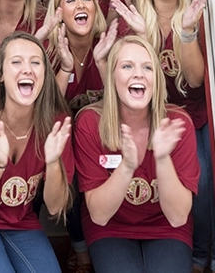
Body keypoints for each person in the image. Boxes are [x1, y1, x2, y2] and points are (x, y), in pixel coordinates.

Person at [114, 0, 215, 273]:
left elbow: (195, 79)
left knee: (205, 185)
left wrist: (186, 32)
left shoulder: (194, 16)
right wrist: (144, 38)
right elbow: (139, 83)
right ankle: (193, 254)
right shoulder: (136, 20)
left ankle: (210, 256)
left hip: (197, 117)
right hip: (160, 119)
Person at [74, 35, 199, 273]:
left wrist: (162, 159)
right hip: (111, 226)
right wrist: (127, 166)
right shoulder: (90, 122)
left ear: (156, 80)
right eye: (127, 66)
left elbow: (178, 217)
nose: (138, 74)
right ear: (112, 77)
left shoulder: (178, 123)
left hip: (165, 225)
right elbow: (99, 215)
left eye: (147, 67)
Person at [0, 32, 74, 273]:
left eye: (36, 62)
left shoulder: (56, 124)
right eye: (16, 61)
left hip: (21, 222)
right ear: (0, 75)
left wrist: (52, 162)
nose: (27, 69)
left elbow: (55, 206)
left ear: (45, 76)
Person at [45, 0, 118, 273]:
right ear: (59, 11)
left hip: (102, 137)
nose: (80, 5)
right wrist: (64, 68)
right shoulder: (49, 50)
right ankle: (80, 251)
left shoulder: (109, 44)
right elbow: (47, 110)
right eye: (71, 0)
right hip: (60, 138)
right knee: (69, 166)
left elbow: (124, 102)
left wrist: (102, 64)